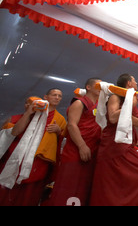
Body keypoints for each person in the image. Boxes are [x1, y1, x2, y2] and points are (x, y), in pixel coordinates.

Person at [90, 74, 138, 206]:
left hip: (126, 145)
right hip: (113, 144)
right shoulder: (115, 96)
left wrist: (129, 106)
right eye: (135, 80)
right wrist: (128, 106)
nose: (137, 83)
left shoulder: (130, 99)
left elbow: (137, 122)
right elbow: (113, 118)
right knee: (110, 181)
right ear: (129, 83)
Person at [0, 89, 67, 206]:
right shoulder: (20, 117)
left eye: (59, 96)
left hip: (38, 161)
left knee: (29, 196)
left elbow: (59, 143)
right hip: (15, 158)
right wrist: (29, 113)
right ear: (45, 97)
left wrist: (58, 132)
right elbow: (14, 132)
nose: (57, 97)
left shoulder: (59, 119)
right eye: (54, 95)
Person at [46, 78, 102, 206]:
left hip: (92, 151)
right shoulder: (79, 103)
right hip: (76, 151)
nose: (101, 87)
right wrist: (82, 146)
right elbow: (71, 125)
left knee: (82, 190)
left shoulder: (99, 106)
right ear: (88, 87)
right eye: (98, 85)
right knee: (69, 189)